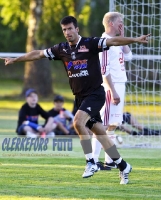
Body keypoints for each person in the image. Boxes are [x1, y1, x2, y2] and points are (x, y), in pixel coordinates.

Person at [1, 15, 150, 184]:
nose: (67, 32)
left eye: (70, 28)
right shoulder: (61, 49)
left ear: (77, 29)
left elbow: (114, 42)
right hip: (80, 97)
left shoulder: (90, 44)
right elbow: (38, 54)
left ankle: (90, 162)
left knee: (77, 122)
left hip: (95, 94)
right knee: (101, 133)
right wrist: (15, 60)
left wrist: (135, 39)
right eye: (64, 30)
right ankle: (123, 166)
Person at [91, 12, 133, 169]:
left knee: (113, 124)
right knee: (102, 125)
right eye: (120, 22)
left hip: (120, 84)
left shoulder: (117, 41)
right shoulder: (105, 43)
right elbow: (104, 70)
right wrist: (112, 91)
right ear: (111, 24)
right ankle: (93, 160)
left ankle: (109, 161)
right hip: (111, 86)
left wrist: (123, 36)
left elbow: (129, 57)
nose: (122, 24)